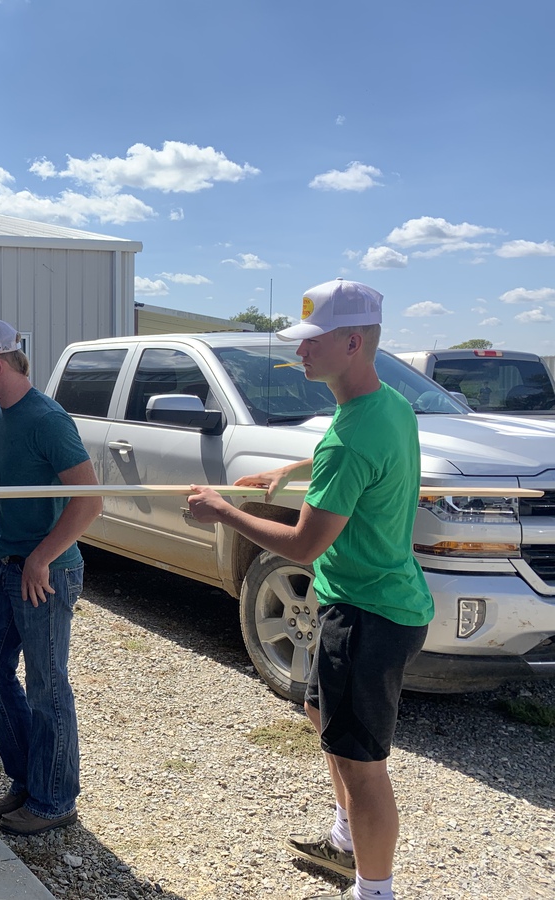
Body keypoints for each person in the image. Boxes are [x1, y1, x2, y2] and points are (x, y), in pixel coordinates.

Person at [187, 279, 433, 900]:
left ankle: (374, 889)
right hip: (366, 602)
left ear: (352, 343)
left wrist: (223, 511)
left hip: (371, 614)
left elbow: (302, 546)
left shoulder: (352, 437)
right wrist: (291, 469)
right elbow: (346, 456)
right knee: (320, 713)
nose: (299, 351)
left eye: (311, 341)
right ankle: (346, 841)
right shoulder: (386, 406)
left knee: (363, 765)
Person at [0, 318, 102, 836]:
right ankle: (29, 780)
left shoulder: (46, 418)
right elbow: (15, 483)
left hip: (45, 575)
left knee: (47, 687)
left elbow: (89, 500)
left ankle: (55, 801)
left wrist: (41, 557)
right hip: (8, 566)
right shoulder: (2, 415)